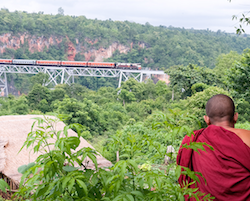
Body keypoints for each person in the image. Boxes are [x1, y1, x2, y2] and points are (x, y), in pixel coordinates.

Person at [177, 94, 250, 200]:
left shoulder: (192, 141)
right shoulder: (247, 137)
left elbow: (184, 177)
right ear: (236, 117)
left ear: (206, 119)